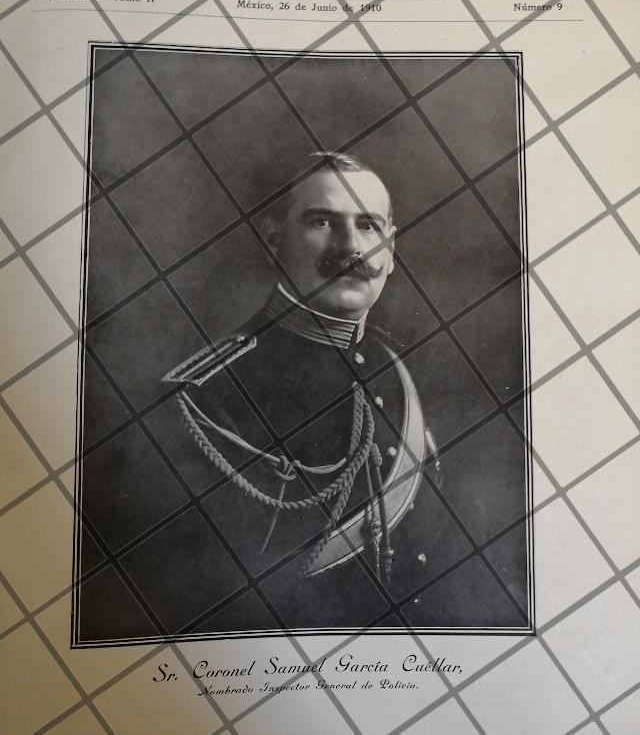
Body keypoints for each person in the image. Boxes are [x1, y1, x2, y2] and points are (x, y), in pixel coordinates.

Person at [161, 153, 525, 632]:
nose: (350, 246)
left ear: (390, 250)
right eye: (322, 222)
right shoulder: (206, 396)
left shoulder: (406, 372)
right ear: (274, 240)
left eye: (368, 226)